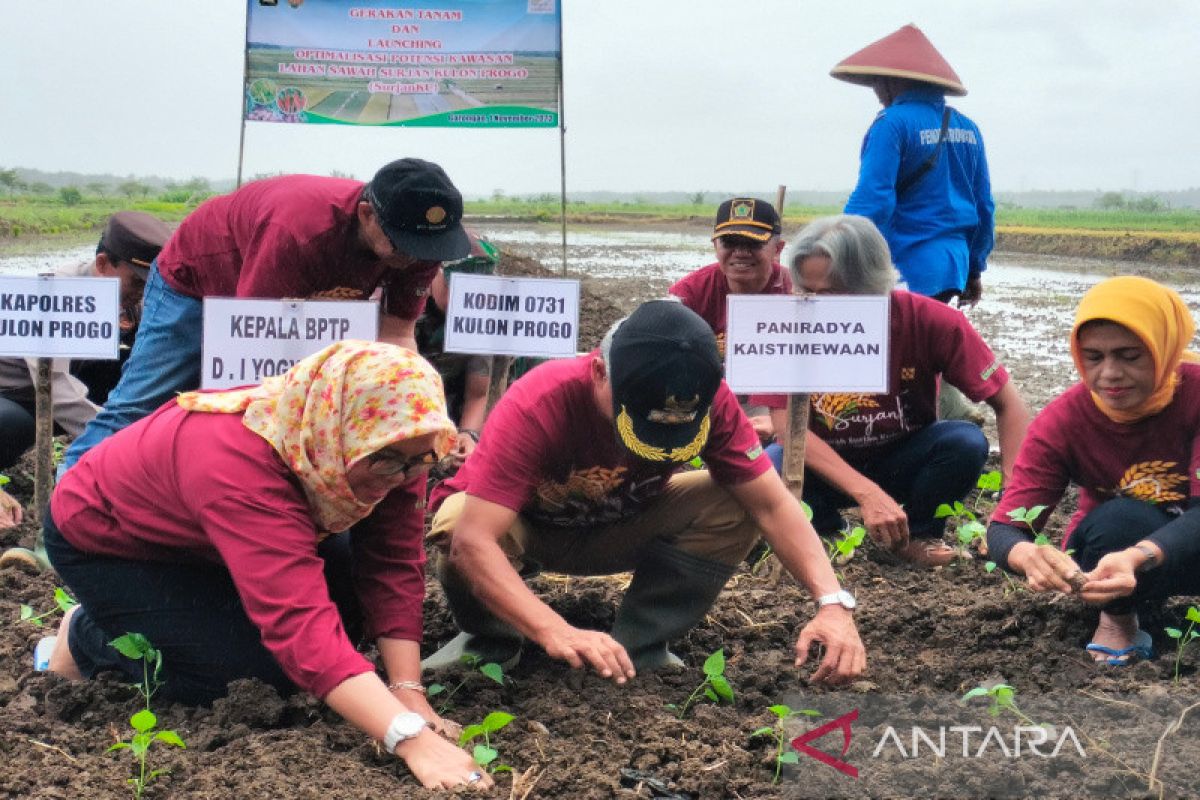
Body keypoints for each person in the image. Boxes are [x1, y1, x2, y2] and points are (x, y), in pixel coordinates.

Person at [41, 340, 492, 791]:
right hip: (116, 542)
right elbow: (297, 622)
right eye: (385, 462)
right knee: (248, 676)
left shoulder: (397, 439)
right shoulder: (238, 459)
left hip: (224, 534)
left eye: (419, 461)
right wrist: (410, 739)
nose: (399, 478)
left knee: (347, 619)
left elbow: (391, 562)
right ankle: (88, 637)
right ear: (335, 433)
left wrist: (407, 691)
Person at [422, 300, 865, 684]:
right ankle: (491, 640)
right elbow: (474, 542)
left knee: (736, 499)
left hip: (623, 525)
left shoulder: (710, 401)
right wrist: (554, 629)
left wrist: (832, 602)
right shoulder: (541, 400)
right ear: (598, 370)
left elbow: (772, 504)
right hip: (525, 531)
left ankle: (640, 647)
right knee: (459, 519)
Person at [62, 158, 470, 470]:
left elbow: (397, 339)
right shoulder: (300, 229)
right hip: (198, 282)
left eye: (426, 248)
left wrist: (412, 413)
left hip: (293, 305)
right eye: (402, 245)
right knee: (143, 402)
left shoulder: (418, 246)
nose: (415, 257)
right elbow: (252, 349)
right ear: (367, 214)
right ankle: (65, 510)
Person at [765, 215, 1029, 567]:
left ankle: (916, 535)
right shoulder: (789, 326)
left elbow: (1008, 403)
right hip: (825, 466)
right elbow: (786, 428)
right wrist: (866, 493)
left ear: (871, 284)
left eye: (828, 294)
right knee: (772, 463)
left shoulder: (931, 321)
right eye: (806, 293)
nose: (815, 306)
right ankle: (830, 531)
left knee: (964, 442)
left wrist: (1011, 501)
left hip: (902, 460)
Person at [986, 276, 1200, 665]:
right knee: (1118, 519)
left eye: (1130, 355)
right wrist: (1024, 553)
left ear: (1164, 348)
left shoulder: (1196, 393)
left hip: (1167, 550)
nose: (1110, 374)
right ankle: (1119, 620)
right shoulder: (1064, 420)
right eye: (1094, 357)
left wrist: (1140, 556)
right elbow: (1004, 528)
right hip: (1117, 560)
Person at [833, 23, 994, 306]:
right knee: (930, 344)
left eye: (876, 82)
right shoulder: (968, 128)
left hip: (907, 265)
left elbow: (873, 202)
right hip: (952, 266)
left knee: (898, 348)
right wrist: (974, 268)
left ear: (891, 81)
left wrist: (837, 250)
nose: (876, 91)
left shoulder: (891, 124)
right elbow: (984, 206)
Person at [0, 211, 171, 472]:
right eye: (136, 282)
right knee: (11, 423)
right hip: (21, 394)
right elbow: (53, 385)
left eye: (150, 284)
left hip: (74, 387)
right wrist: (118, 436)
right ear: (102, 264)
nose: (142, 292)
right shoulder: (56, 293)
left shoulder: (134, 299)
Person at [670, 197, 789, 444]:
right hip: (709, 400)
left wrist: (778, 421)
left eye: (753, 243)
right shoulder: (689, 293)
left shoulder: (796, 292)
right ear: (715, 246)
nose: (741, 252)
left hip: (772, 406)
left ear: (778, 249)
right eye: (730, 242)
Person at [415, 232, 500, 475]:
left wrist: (468, 434)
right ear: (433, 277)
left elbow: (478, 393)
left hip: (453, 400)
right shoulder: (409, 311)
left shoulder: (481, 317)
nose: (465, 299)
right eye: (457, 288)